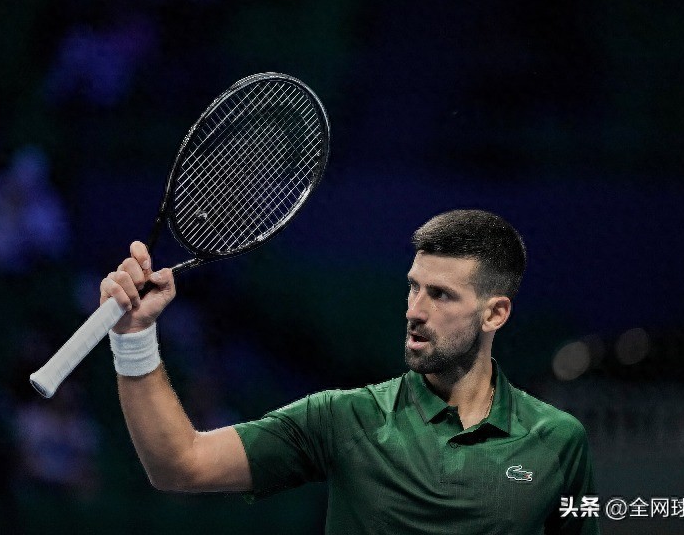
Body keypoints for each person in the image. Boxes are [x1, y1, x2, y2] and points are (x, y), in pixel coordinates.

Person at [100, 209, 599, 534]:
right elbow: (179, 464)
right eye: (413, 288)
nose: (414, 310)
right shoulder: (344, 420)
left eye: (440, 294)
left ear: (494, 314)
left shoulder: (558, 441)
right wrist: (134, 337)